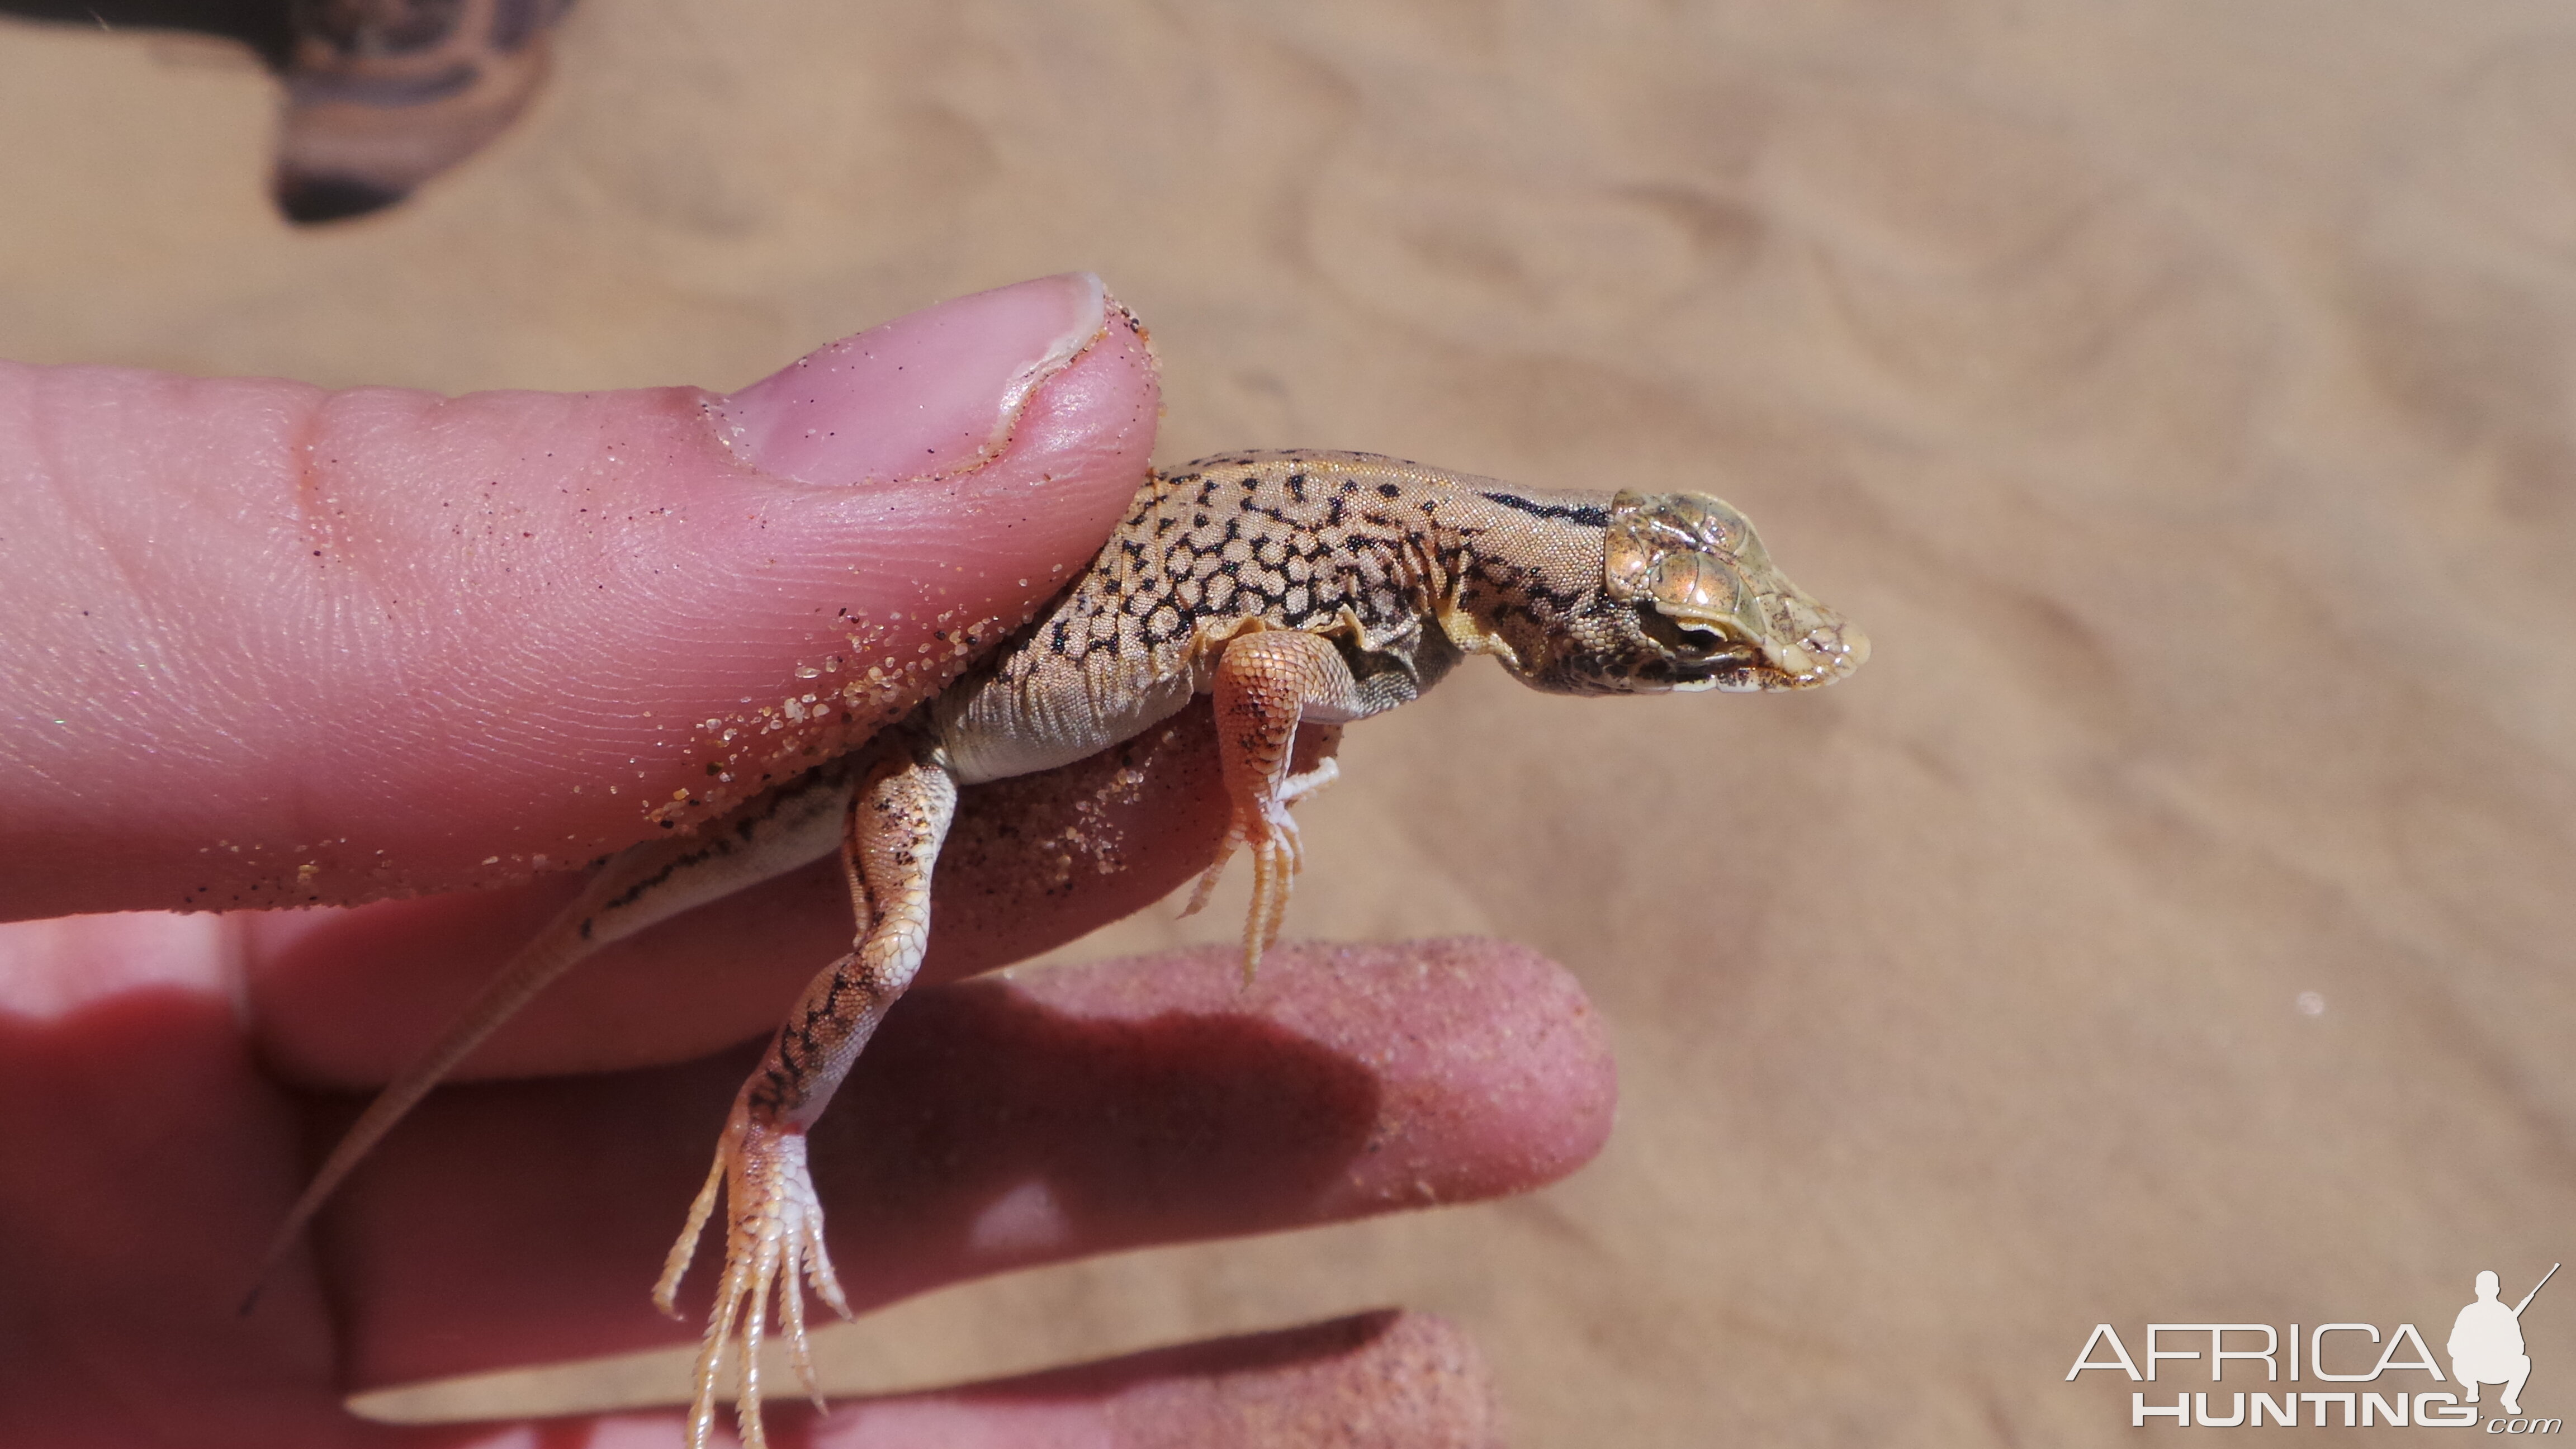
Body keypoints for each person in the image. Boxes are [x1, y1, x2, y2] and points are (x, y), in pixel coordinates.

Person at [0, 276, 1615, 1445]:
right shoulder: (1397, 571)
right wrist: (1254, 803)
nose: (1687, 665)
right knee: (893, 946)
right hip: (901, 759)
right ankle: (771, 1131)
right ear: (1566, 614)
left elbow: (1259, 661)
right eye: (1672, 646)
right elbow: (1259, 676)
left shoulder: (1422, 561)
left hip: (945, 728)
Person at [2451, 1270, 2536, 1416]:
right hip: (2473, 1368)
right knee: (2458, 1360)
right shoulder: (2468, 1312)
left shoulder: (2505, 1313)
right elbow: (2453, 1345)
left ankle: (2509, 1399)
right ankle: (2472, 1388)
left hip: (2499, 1368)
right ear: (2477, 1290)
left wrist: (2499, 1346)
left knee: (2524, 1362)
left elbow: (2519, 1347)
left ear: (2497, 1290)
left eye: (2489, 1288)